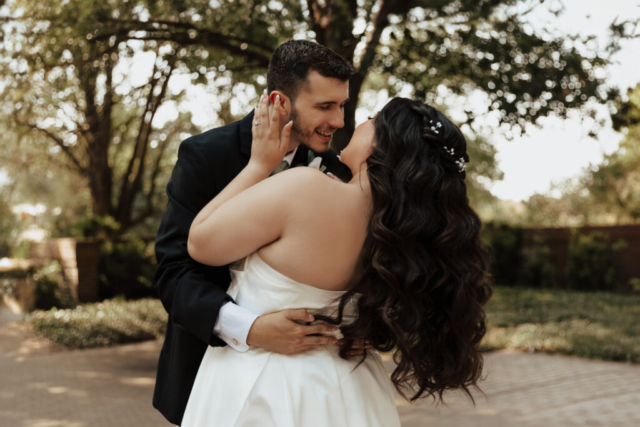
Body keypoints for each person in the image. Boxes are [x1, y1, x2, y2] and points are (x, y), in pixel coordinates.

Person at [181, 94, 493, 426]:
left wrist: (259, 166)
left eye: (371, 119)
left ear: (382, 145)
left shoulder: (305, 188)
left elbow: (201, 243)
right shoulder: (402, 235)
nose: (352, 123)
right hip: (352, 386)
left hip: (265, 382)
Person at [152, 40, 368, 426]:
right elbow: (174, 273)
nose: (338, 120)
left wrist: (367, 324)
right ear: (280, 102)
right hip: (210, 376)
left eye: (342, 106)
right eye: (324, 106)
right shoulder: (205, 155)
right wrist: (250, 329)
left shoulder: (339, 169)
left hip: (313, 390)